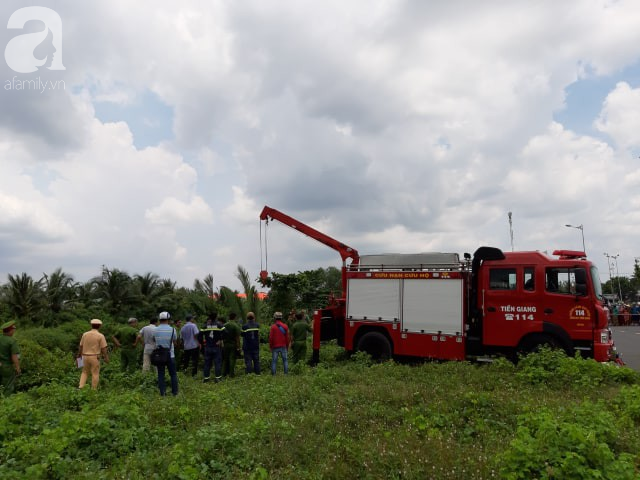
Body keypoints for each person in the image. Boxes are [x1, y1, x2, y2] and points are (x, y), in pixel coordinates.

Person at [78, 319, 109, 389]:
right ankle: (93, 390)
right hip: (95, 357)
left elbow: (81, 346)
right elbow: (103, 348)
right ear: (100, 326)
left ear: (91, 325)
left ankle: (81, 387)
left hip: (85, 356)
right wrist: (106, 357)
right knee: (95, 374)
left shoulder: (85, 334)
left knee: (84, 372)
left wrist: (79, 355)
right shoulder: (100, 336)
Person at [153, 311, 178, 396]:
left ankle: (162, 393)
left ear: (159, 319)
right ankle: (175, 393)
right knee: (173, 374)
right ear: (168, 319)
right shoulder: (173, 330)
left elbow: (154, 340)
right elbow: (175, 342)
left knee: (161, 374)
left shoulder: (155, 330)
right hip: (170, 355)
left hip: (159, 356)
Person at [200, 313, 225, 382]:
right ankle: (218, 378)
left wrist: (202, 343)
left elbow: (199, 336)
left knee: (207, 363)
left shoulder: (204, 326)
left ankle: (206, 378)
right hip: (216, 347)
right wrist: (220, 339)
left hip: (208, 347)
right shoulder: (219, 325)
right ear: (216, 317)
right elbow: (226, 333)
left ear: (209, 317)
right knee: (217, 363)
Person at [0, 321, 21, 396]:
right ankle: (6, 403)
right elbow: (14, 356)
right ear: (10, 330)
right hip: (7, 367)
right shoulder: (12, 341)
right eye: (13, 329)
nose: (14, 331)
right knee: (8, 386)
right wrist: (17, 368)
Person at [222, 312, 241, 378]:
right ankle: (231, 374)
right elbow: (237, 337)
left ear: (229, 317)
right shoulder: (235, 325)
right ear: (235, 318)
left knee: (225, 359)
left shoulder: (224, 325)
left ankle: (224, 373)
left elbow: (221, 335)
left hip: (225, 344)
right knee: (232, 359)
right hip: (233, 344)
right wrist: (238, 347)